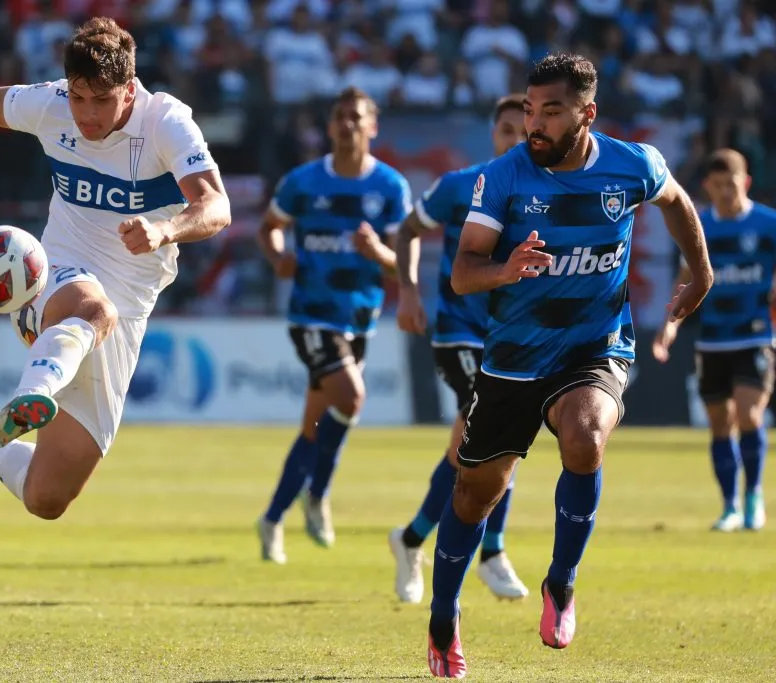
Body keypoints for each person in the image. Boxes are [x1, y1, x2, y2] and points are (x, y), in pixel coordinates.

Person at [425, 53, 713, 678]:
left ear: (587, 114)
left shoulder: (632, 165)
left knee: (585, 437)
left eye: (551, 112)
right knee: (475, 494)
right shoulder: (504, 175)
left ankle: (561, 580)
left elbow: (675, 199)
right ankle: (443, 614)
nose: (535, 124)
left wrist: (701, 271)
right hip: (513, 358)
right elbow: (463, 272)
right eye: (530, 110)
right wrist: (506, 269)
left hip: (594, 346)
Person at [0, 17, 231, 520]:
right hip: (49, 277)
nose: (86, 114)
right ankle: (30, 398)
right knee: (94, 309)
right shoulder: (53, 103)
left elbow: (216, 205)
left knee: (47, 497)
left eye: (101, 100)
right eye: (78, 98)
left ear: (129, 90)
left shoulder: (166, 123)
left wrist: (165, 230)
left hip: (128, 307)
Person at [256, 87, 411, 564]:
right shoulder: (304, 182)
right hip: (311, 315)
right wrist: (279, 257)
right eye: (340, 117)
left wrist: (378, 252)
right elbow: (269, 227)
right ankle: (319, 494)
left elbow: (402, 265)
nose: (347, 124)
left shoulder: (390, 187)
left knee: (316, 425)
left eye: (356, 117)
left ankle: (272, 518)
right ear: (329, 126)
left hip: (359, 319)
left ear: (372, 126)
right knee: (351, 397)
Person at [390, 94, 529, 605]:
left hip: (514, 337)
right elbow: (409, 230)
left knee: (474, 450)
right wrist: (408, 291)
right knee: (493, 425)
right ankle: (492, 551)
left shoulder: (548, 193)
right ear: (494, 134)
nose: (516, 140)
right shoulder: (460, 186)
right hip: (459, 332)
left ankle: (411, 539)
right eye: (508, 130)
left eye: (525, 131)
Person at [653, 148, 776, 532]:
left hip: (755, 335)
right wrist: (669, 327)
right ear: (707, 185)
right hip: (713, 340)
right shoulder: (700, 226)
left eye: (732, 184)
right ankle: (729, 506)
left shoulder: (769, 224)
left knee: (749, 415)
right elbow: (684, 282)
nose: (725, 192)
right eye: (718, 185)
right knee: (721, 424)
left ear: (746, 182)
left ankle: (754, 497)